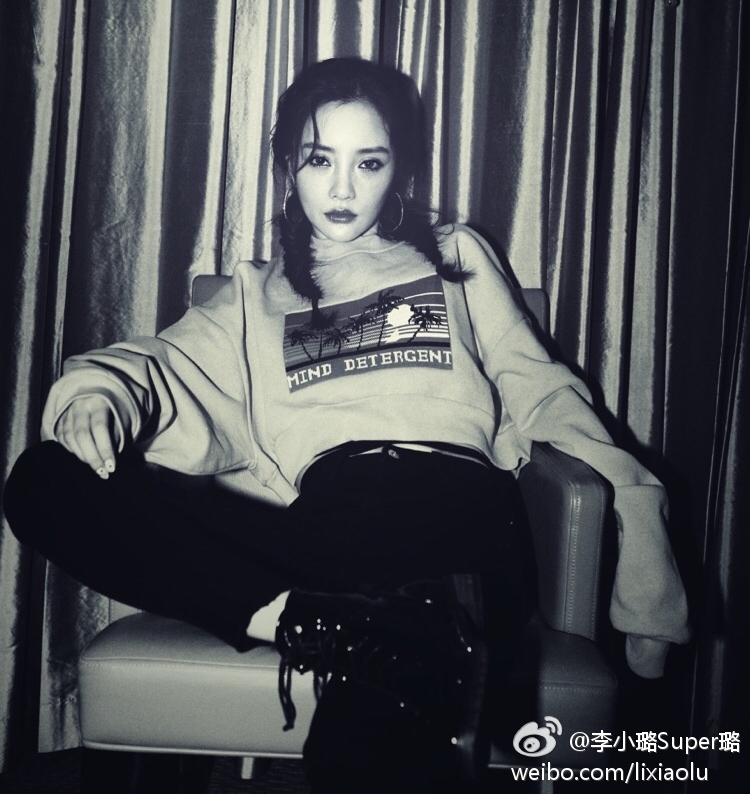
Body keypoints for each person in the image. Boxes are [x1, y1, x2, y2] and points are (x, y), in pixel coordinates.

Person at [4, 57, 689, 792]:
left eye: (369, 162)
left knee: (365, 739)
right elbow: (159, 363)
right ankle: (324, 624)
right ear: (287, 166)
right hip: (325, 525)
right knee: (42, 480)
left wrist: (635, 502)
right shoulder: (256, 293)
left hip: (453, 509)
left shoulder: (454, 255)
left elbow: (541, 387)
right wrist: (98, 396)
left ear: (399, 171)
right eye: (319, 159)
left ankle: (372, 637)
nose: (341, 189)